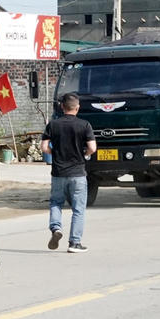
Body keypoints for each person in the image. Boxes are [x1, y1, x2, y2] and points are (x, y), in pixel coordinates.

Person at [41, 92, 97, 254]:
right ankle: (75, 242)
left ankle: (56, 227)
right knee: (78, 209)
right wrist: (84, 153)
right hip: (78, 173)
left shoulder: (53, 125)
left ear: (62, 107)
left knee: (56, 203)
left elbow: (44, 147)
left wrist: (55, 153)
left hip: (58, 172)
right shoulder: (84, 125)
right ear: (77, 108)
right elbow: (92, 148)